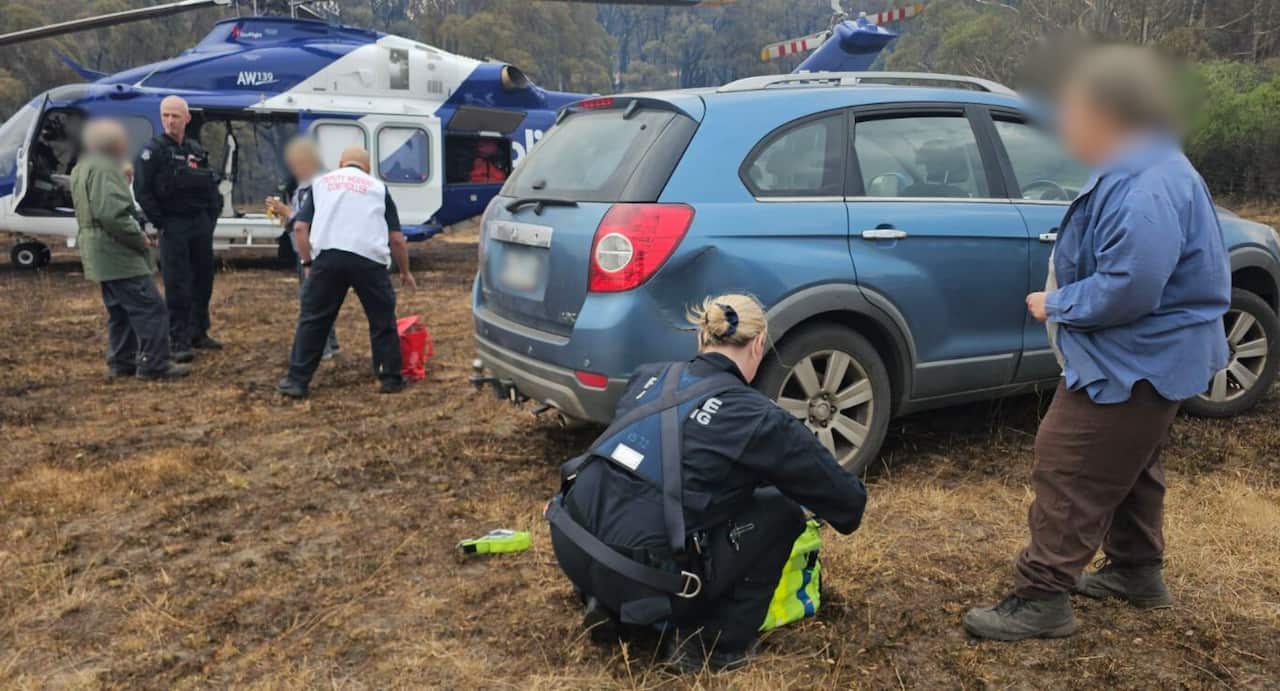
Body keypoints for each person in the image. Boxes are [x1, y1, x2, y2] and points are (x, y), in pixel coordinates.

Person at [963, 46, 1231, 641]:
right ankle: (1137, 573)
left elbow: (1131, 286)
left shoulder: (1146, 181)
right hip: (1148, 359)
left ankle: (1041, 599)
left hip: (1135, 360)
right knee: (1131, 465)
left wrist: (1055, 303)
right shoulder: (1146, 165)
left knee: (1069, 466)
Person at [546, 294, 868, 672]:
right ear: (760, 343)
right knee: (781, 511)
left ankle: (607, 607)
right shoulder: (758, 417)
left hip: (572, 543)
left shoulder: (649, 376)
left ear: (702, 338)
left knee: (648, 493)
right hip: (642, 576)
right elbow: (849, 506)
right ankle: (711, 648)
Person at [276, 146, 418, 398]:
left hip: (328, 258)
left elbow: (299, 228)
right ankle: (390, 379)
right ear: (368, 168)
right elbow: (396, 238)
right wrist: (405, 272)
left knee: (314, 319)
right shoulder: (377, 188)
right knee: (381, 321)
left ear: (341, 164)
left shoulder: (321, 184)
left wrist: (308, 263)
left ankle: (296, 381)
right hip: (369, 261)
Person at [71, 119, 189, 381]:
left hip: (98, 253)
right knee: (151, 308)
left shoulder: (82, 167)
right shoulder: (105, 169)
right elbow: (112, 214)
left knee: (120, 310)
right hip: (117, 252)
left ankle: (121, 361)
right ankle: (154, 364)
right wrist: (140, 239)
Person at [133, 95, 223, 364]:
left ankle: (199, 331)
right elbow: (143, 192)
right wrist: (162, 222)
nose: (170, 121)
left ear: (187, 118)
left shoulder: (195, 150)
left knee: (203, 279)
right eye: (165, 116)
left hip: (199, 224)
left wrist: (210, 218)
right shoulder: (153, 151)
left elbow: (210, 188)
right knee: (178, 283)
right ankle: (178, 338)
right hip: (173, 225)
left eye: (175, 116)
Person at [267, 137, 339, 359]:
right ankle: (331, 344)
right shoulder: (303, 185)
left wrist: (287, 212)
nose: (296, 168)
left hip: (315, 253)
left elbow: (311, 222)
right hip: (304, 250)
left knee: (313, 302)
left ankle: (320, 349)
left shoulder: (319, 185)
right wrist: (284, 213)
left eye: (299, 162)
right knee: (320, 299)